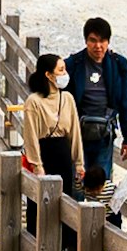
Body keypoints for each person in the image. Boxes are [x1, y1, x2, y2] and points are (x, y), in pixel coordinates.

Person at [61, 17, 127, 198]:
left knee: (101, 186)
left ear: (108, 42)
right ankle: (74, 225)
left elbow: (125, 101)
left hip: (104, 134)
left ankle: (99, 225)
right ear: (86, 41)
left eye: (102, 41)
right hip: (77, 134)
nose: (98, 46)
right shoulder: (73, 64)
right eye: (93, 40)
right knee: (78, 184)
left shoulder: (118, 64)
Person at [17, 52, 77, 204]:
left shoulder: (68, 98)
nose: (65, 74)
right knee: (39, 202)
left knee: (65, 201)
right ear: (49, 75)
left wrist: (79, 163)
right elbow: (30, 136)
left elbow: (75, 133)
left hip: (63, 153)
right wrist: (37, 166)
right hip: (43, 152)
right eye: (61, 70)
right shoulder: (33, 101)